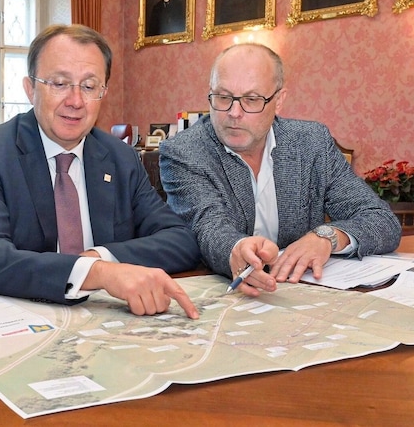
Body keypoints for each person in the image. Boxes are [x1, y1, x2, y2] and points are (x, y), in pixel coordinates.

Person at [0, 24, 201, 319]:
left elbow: (180, 239)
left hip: (99, 317)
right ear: (31, 89)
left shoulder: (120, 157)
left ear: (103, 92)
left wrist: (100, 259)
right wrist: (95, 273)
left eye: (89, 86)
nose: (76, 101)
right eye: (59, 83)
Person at [160, 43, 401, 296]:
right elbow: (207, 226)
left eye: (251, 100)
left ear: (279, 100)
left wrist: (327, 237)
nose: (234, 112)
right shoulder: (184, 152)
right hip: (221, 294)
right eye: (223, 97)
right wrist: (237, 249)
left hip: (302, 295)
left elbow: (380, 219)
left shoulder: (312, 143)